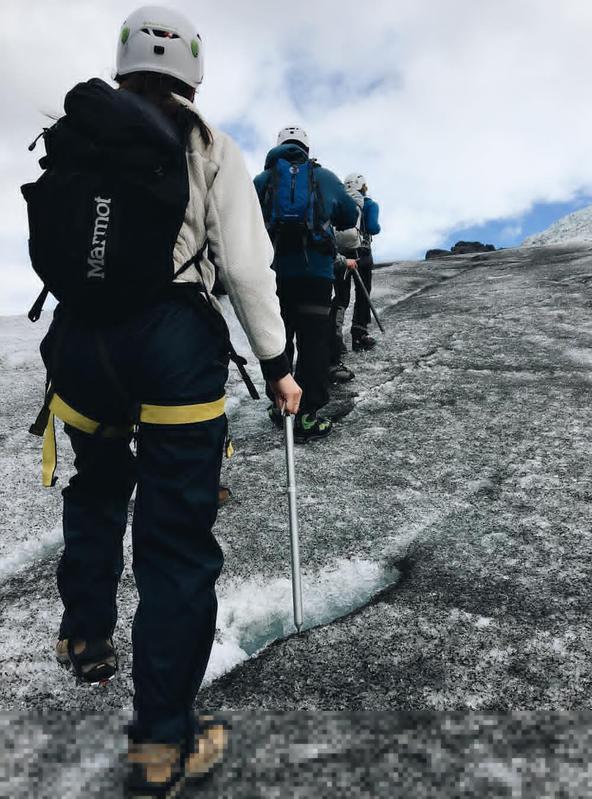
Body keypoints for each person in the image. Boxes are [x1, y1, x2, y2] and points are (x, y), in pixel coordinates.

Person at [29, 7, 301, 798]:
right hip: (170, 344)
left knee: (100, 484)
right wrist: (278, 363)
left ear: (122, 65)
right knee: (175, 541)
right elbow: (249, 271)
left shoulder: (79, 135)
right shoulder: (211, 147)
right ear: (194, 69)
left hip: (82, 344)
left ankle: (85, 635)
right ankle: (160, 747)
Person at [254, 126, 358, 441]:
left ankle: (279, 402)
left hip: (276, 275)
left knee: (278, 340)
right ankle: (307, 415)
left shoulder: (262, 180)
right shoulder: (324, 177)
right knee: (314, 343)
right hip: (316, 276)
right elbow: (350, 215)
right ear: (307, 149)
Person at [337, 173, 382, 351]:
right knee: (363, 294)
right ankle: (359, 335)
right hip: (361, 253)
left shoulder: (338, 203)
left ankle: (335, 339)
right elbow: (373, 228)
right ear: (363, 186)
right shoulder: (369, 204)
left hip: (341, 255)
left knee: (341, 296)